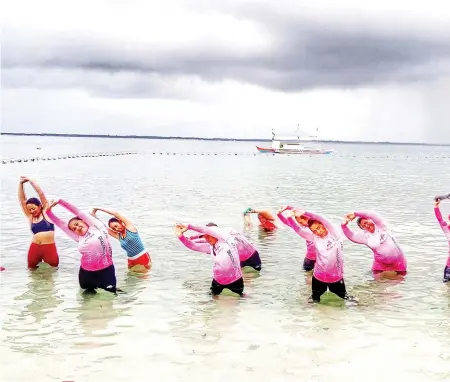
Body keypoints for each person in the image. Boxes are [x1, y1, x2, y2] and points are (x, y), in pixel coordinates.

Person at [279, 206, 355, 303]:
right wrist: (289, 218)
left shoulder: (334, 233)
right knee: (314, 302)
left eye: (319, 228)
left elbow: (320, 217)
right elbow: (297, 229)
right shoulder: (314, 237)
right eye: (314, 231)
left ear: (323, 225)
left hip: (336, 278)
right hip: (318, 277)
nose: (318, 232)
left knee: (345, 299)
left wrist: (304, 211)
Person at [45, 198, 119, 294]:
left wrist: (60, 201)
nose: (77, 228)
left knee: (110, 296)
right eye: (74, 228)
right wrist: (48, 212)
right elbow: (60, 224)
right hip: (86, 274)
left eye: (77, 224)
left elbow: (77, 212)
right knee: (86, 301)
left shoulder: (95, 226)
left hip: (106, 271)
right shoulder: (78, 237)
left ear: (84, 221)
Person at [175, 223, 244, 296]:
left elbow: (207, 229)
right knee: (211, 303)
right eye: (205, 236)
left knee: (238, 302)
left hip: (235, 281)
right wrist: (180, 236)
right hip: (217, 282)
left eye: (209, 235)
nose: (207, 238)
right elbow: (193, 245)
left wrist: (189, 226)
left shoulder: (226, 239)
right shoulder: (211, 246)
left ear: (217, 233)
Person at [341, 211, 407, 277]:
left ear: (370, 219)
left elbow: (371, 214)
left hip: (398, 261)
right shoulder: (364, 236)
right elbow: (351, 236)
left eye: (366, 222)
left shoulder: (381, 225)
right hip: (380, 264)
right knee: (377, 285)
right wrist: (344, 226)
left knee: (398, 283)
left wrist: (355, 214)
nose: (366, 226)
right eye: (363, 226)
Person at [179, 222, 262, 272]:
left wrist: (193, 238)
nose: (208, 236)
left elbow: (204, 234)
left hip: (252, 256)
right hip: (239, 260)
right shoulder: (217, 242)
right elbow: (203, 238)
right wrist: (191, 239)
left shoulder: (226, 232)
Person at [18, 176, 59, 269]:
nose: (32, 211)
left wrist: (31, 181)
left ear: (40, 206)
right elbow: (22, 199)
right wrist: (21, 184)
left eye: (33, 208)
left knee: (52, 272)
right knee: (31, 272)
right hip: (35, 248)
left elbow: (40, 193)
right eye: (29, 209)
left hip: (49, 248)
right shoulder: (30, 217)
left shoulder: (46, 213)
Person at [277, 205, 317, 271]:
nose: (301, 223)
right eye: (299, 222)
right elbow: (287, 222)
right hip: (310, 257)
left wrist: (288, 208)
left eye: (301, 222)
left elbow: (301, 211)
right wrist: (279, 214)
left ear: (307, 218)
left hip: (320, 256)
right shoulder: (302, 228)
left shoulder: (315, 226)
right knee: (306, 273)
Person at [434, 198, 450, 282]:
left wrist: (436, 206)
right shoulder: (447, 230)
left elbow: (440, 219)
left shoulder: (447, 230)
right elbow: (440, 219)